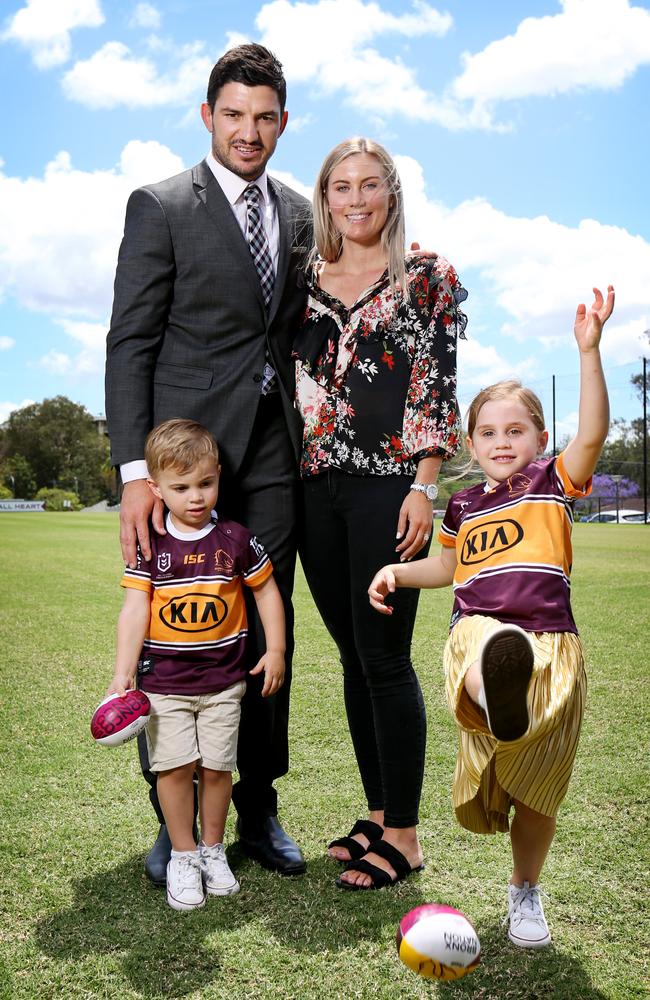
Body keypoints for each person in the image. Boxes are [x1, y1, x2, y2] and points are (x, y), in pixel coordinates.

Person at [105, 44, 311, 881]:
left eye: (264, 118)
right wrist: (134, 474)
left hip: (273, 460)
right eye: (234, 115)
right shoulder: (160, 206)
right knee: (176, 634)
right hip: (187, 464)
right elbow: (131, 342)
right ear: (207, 116)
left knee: (263, 633)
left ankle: (257, 809)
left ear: (283, 123)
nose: (248, 132)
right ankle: (176, 819)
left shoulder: (301, 214)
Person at [369, 286, 614, 941]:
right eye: (488, 432)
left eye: (516, 430)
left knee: (538, 790)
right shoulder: (463, 506)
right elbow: (447, 571)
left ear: (538, 437)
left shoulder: (553, 482)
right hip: (481, 634)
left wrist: (588, 351)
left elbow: (592, 433)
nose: (502, 441)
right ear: (469, 444)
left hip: (554, 646)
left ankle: (524, 891)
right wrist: (396, 569)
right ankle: (491, 686)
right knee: (482, 636)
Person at [294, 137, 467, 889]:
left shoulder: (426, 277)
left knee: (386, 658)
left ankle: (406, 833)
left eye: (370, 185)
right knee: (352, 657)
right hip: (311, 487)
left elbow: (434, 384)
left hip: (387, 488)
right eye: (341, 187)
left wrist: (423, 484)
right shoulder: (302, 279)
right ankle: (377, 810)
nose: (356, 199)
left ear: (391, 195)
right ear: (324, 197)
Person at [107, 419, 286, 911]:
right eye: (180, 487)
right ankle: (182, 855)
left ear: (219, 477)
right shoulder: (152, 547)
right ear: (156, 488)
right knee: (173, 768)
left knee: (216, 769)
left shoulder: (234, 538)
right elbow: (134, 610)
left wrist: (276, 650)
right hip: (163, 686)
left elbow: (267, 590)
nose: (195, 496)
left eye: (205, 483)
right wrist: (123, 674)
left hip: (225, 684)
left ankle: (212, 850)